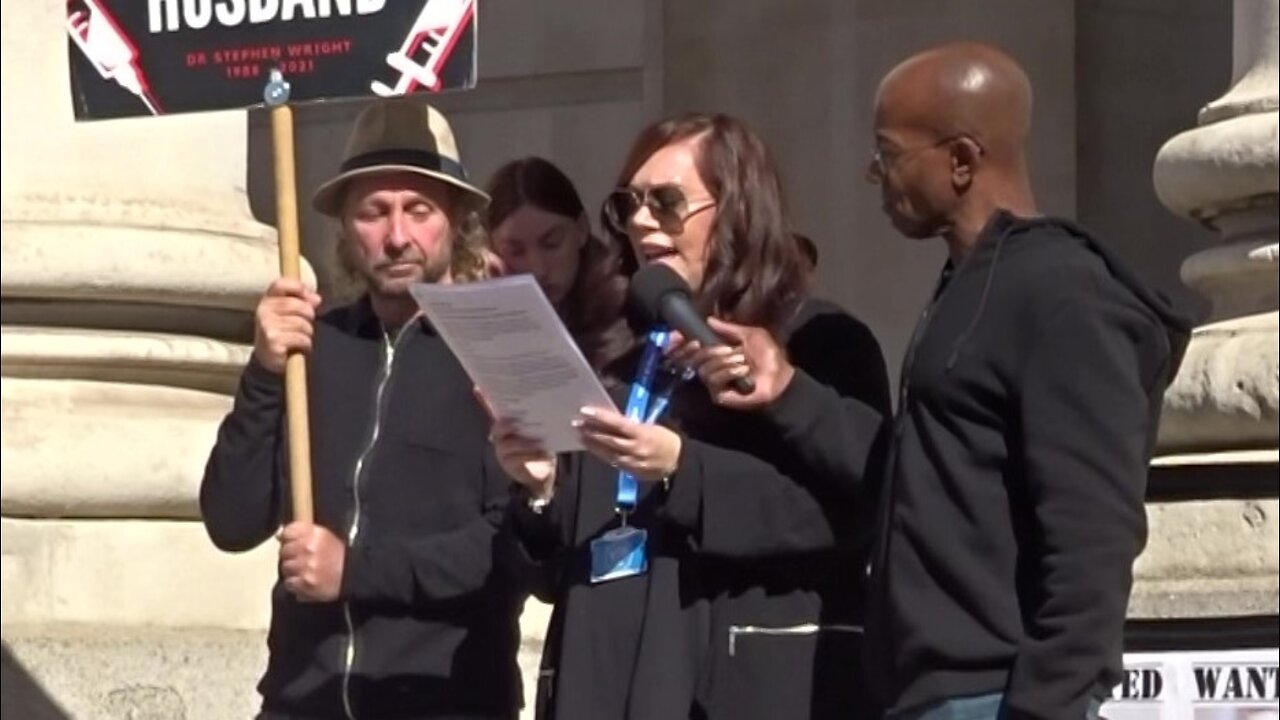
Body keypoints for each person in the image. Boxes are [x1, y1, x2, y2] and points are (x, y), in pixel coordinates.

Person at [488, 112, 892, 720]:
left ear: (736, 211)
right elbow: (551, 570)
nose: (643, 220)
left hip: (738, 684)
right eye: (629, 204)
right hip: (603, 682)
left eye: (667, 201)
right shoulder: (612, 350)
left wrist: (683, 472)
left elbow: (850, 513)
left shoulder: (816, 340)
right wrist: (539, 490)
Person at [853, 42, 1191, 719]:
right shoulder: (973, 285)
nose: (877, 177)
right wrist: (786, 393)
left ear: (961, 160)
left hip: (999, 697)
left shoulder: (1066, 297)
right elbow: (928, 471)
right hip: (930, 693)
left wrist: (1043, 707)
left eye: (889, 156)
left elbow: (1092, 539)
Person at [200, 98, 525, 719]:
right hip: (303, 699)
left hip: (443, 701)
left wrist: (357, 572)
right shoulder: (317, 350)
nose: (397, 235)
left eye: (418, 210)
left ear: (455, 220)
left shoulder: (497, 348)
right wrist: (265, 370)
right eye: (373, 212)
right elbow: (232, 518)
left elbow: (511, 551)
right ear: (346, 228)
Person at [483, 156, 633, 374]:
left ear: (581, 230)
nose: (538, 269)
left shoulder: (627, 312)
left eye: (551, 244)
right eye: (516, 251)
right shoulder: (485, 312)